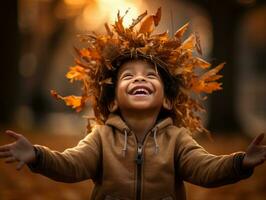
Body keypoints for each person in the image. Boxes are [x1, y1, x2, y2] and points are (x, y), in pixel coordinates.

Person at [1, 8, 266, 200]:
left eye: (150, 75)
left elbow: (205, 169)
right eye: (128, 76)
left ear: (169, 99)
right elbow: (71, 164)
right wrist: (37, 156)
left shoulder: (177, 140)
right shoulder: (101, 139)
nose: (140, 78)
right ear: (113, 100)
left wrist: (240, 163)